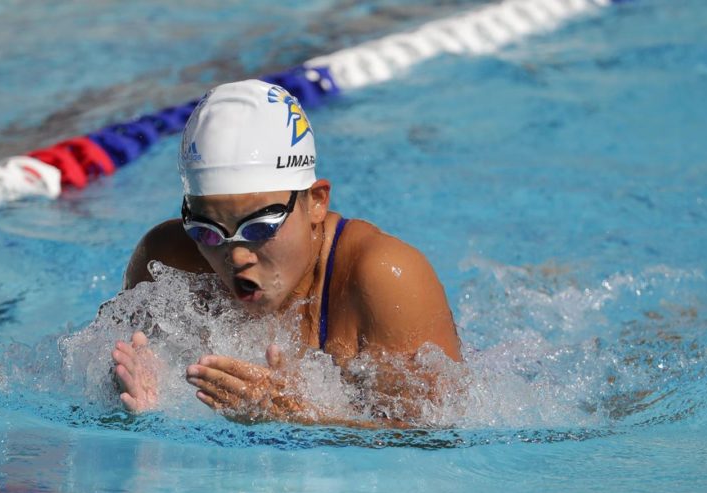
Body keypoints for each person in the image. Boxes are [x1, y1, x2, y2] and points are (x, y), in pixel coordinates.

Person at [112, 79, 462, 425]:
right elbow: (90, 367)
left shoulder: (385, 278)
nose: (236, 257)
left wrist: (309, 420)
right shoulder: (169, 261)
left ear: (316, 202)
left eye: (260, 227)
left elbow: (435, 441)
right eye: (207, 231)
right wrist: (129, 401)